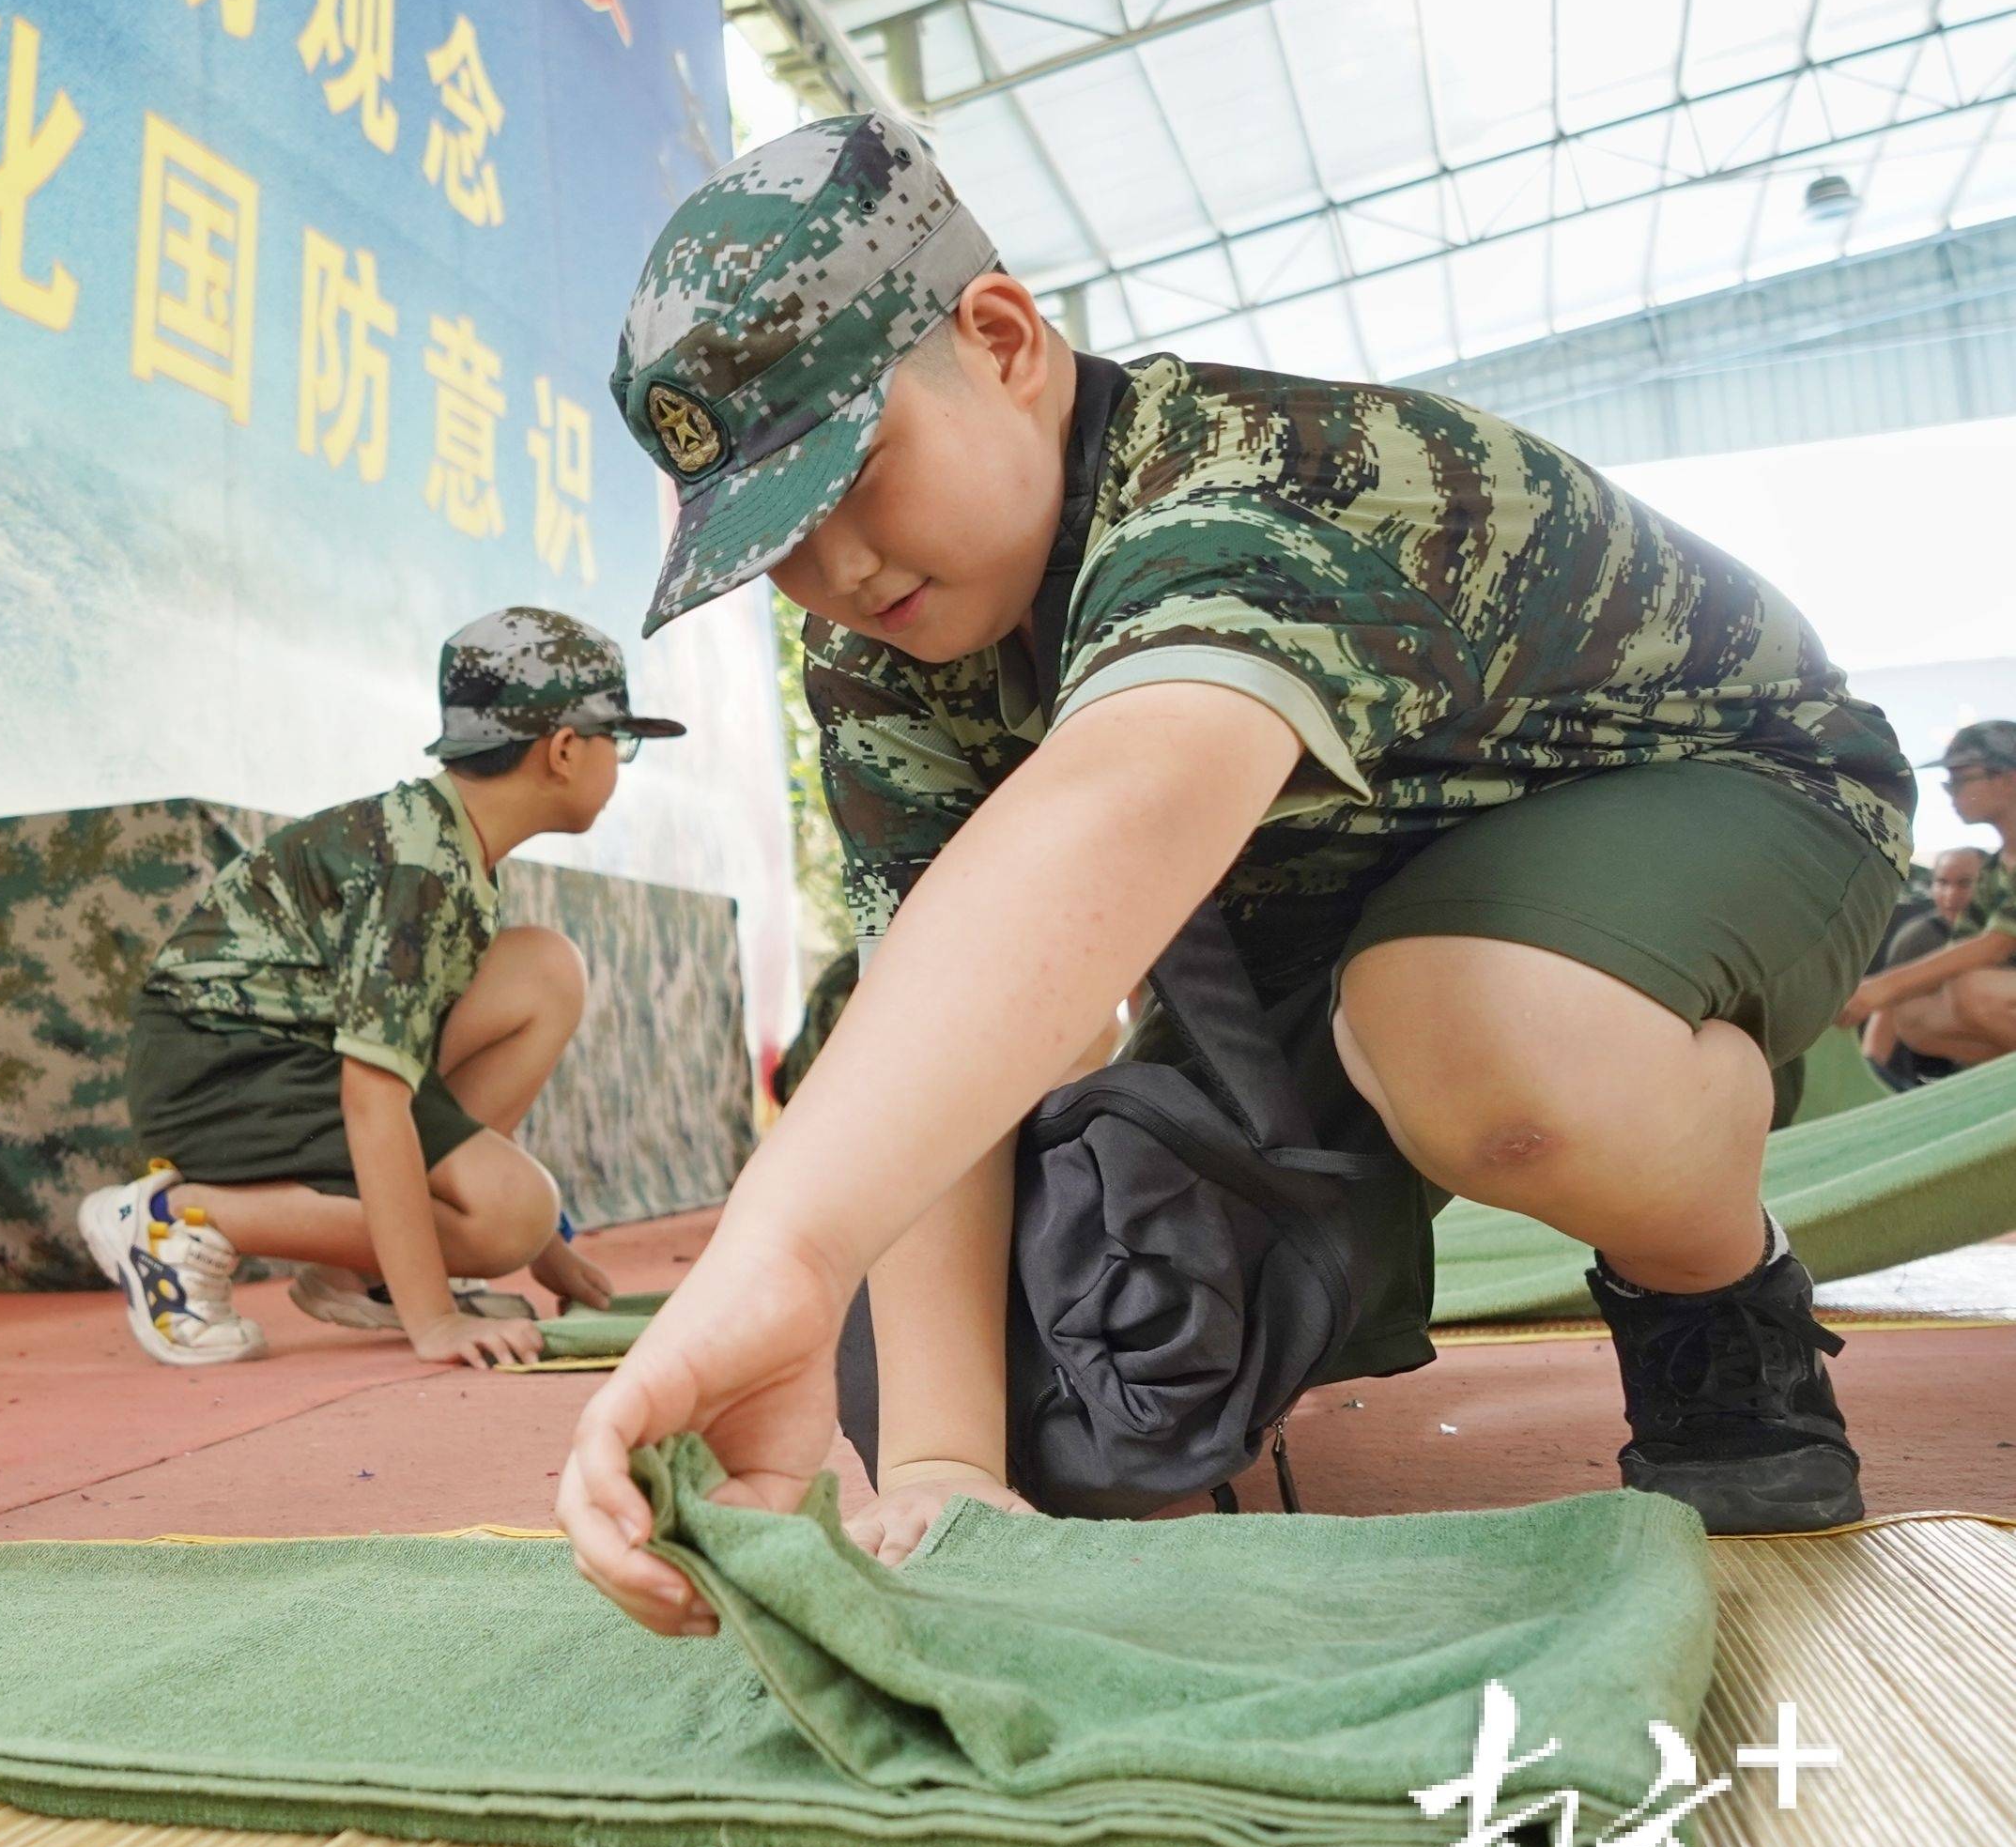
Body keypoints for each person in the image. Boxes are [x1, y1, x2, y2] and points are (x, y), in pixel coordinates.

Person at [552, 114, 1917, 1630]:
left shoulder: (1243, 482)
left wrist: (779, 1248)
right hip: (1319, 918)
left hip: (1705, 794)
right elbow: (935, 1000)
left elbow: (1123, 796)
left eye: (853, 477)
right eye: (775, 545)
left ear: (998, 338)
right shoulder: (885, 647)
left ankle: (1712, 1299)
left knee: (1482, 1042)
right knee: (1094, 1401)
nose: (838, 575)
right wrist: (945, 1460)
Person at [78, 608, 679, 1368]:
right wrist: (440, 1317)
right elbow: (373, 1094)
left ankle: (362, 1268)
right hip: (220, 1072)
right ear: (562, 749)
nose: (620, 763)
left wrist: (545, 1248)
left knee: (543, 970)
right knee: (508, 1214)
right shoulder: (418, 868)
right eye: (618, 740)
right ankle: (177, 1219)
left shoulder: (444, 840)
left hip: (284, 1052)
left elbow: (422, 1093)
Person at [1844, 724, 2016, 1075]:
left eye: (1960, 780)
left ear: (2008, 779)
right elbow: (1965, 950)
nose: (1952, 794)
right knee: (1915, 1016)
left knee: (1975, 991)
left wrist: (1881, 987)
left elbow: (1997, 945)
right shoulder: (1995, 869)